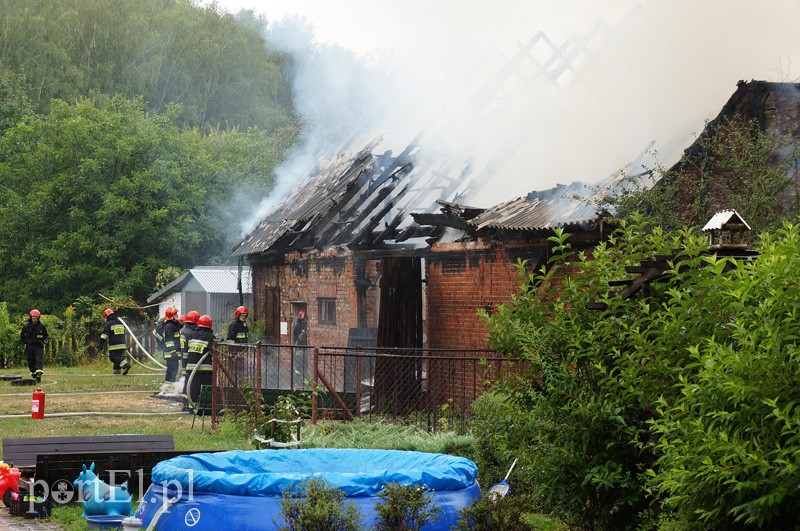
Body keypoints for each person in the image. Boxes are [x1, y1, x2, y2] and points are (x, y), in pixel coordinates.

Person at [185, 314, 215, 409]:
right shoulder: (210, 336)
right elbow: (213, 351)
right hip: (205, 369)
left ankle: (191, 407)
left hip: (191, 367)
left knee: (193, 388)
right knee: (206, 389)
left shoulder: (192, 334)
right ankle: (205, 407)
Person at [100, 309, 131, 375]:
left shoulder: (108, 324)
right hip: (122, 345)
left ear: (106, 316)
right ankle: (117, 372)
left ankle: (126, 365)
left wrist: (100, 344)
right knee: (117, 359)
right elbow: (127, 323)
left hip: (114, 345)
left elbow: (104, 336)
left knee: (113, 357)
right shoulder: (121, 321)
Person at [20, 309, 48, 382]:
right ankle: (34, 375)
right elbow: (22, 335)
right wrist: (25, 343)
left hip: (39, 346)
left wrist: (45, 340)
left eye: (36, 318)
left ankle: (39, 374)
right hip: (29, 346)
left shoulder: (42, 326)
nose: (34, 319)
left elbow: (46, 335)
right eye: (33, 318)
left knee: (38, 360)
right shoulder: (26, 326)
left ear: (38, 318)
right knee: (30, 361)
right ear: (30, 318)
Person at [161, 307, 181, 382]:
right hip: (171, 353)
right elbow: (169, 342)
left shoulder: (174, 325)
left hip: (173, 353)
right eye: (175, 313)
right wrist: (173, 352)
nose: (177, 315)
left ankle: (169, 387)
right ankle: (168, 388)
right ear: (171, 315)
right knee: (171, 371)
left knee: (173, 371)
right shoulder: (169, 326)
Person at [292, 309, 308, 388]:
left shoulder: (296, 325)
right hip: (301, 349)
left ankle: (298, 383)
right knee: (300, 368)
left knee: (299, 368)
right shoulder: (301, 326)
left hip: (298, 349)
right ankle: (300, 384)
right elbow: (301, 338)